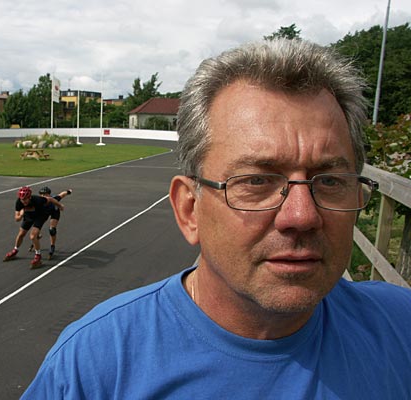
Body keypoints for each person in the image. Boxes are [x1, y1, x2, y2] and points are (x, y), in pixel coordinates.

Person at [21, 39, 411, 399]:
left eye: (328, 180)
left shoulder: (401, 327)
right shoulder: (95, 368)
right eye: (256, 180)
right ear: (190, 210)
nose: (302, 215)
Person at [3, 186, 64, 268]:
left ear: (29, 197)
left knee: (32, 236)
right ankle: (15, 250)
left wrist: (59, 205)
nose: (23, 201)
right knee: (21, 234)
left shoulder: (37, 200)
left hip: (40, 216)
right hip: (28, 216)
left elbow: (50, 199)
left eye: (25, 199)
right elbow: (17, 219)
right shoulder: (19, 202)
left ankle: (38, 255)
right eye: (22, 199)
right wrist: (20, 215)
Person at [37, 186, 72, 259]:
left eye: (45, 194)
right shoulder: (39, 201)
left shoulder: (54, 198)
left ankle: (52, 246)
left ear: (49, 195)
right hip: (45, 213)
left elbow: (62, 194)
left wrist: (68, 191)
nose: (43, 196)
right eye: (41, 194)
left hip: (54, 212)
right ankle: (38, 235)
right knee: (36, 227)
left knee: (52, 230)